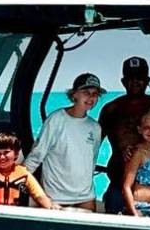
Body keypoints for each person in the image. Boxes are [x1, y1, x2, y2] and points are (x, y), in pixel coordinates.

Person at [25, 71, 104, 211]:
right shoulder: (56, 119)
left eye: (95, 93)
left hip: (86, 197)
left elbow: (92, 161)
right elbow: (37, 154)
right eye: (86, 92)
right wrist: (18, 178)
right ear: (74, 94)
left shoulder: (95, 127)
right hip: (55, 197)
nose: (91, 97)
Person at [98, 56, 150, 213]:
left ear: (147, 80)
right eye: (130, 78)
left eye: (140, 78)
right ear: (123, 81)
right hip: (118, 185)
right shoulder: (111, 110)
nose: (135, 82)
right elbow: (93, 146)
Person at [0, 132, 56, 209]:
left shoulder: (25, 174)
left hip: (17, 218)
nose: (2, 157)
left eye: (6, 152)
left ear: (16, 154)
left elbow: (40, 196)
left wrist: (51, 207)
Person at [120, 107, 150, 217]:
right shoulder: (138, 153)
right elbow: (126, 186)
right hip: (140, 207)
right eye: (147, 128)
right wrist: (134, 213)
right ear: (139, 130)